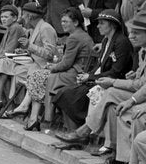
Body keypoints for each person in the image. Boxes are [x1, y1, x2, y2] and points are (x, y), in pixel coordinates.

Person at [53, 10, 134, 141]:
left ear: (112, 25)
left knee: (78, 94)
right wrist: (88, 75)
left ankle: (85, 135)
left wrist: (90, 78)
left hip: (110, 81)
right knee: (64, 94)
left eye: (102, 23)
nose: (98, 26)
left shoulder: (121, 42)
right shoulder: (105, 40)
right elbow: (100, 65)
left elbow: (116, 71)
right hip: (98, 79)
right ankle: (74, 132)